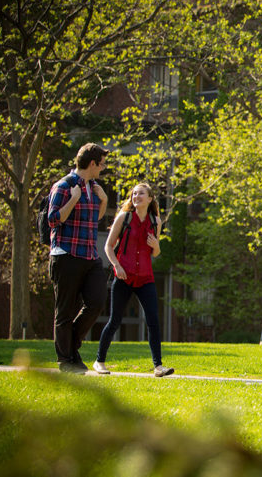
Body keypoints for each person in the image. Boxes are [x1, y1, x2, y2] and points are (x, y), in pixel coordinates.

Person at [94, 182, 174, 377]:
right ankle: (99, 361)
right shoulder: (125, 217)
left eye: (141, 194)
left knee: (153, 320)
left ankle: (158, 367)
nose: (136, 196)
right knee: (115, 320)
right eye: (134, 193)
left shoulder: (156, 221)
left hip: (146, 278)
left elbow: (154, 253)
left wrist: (157, 246)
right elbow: (108, 247)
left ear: (150, 199)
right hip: (124, 276)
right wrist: (117, 266)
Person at [47, 143, 110, 374]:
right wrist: (72, 200)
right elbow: (53, 220)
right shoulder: (64, 186)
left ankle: (72, 347)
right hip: (66, 255)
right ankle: (66, 360)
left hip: (90, 256)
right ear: (92, 163)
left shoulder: (93, 188)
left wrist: (103, 201)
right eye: (102, 164)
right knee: (64, 311)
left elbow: (94, 219)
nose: (103, 168)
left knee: (96, 302)